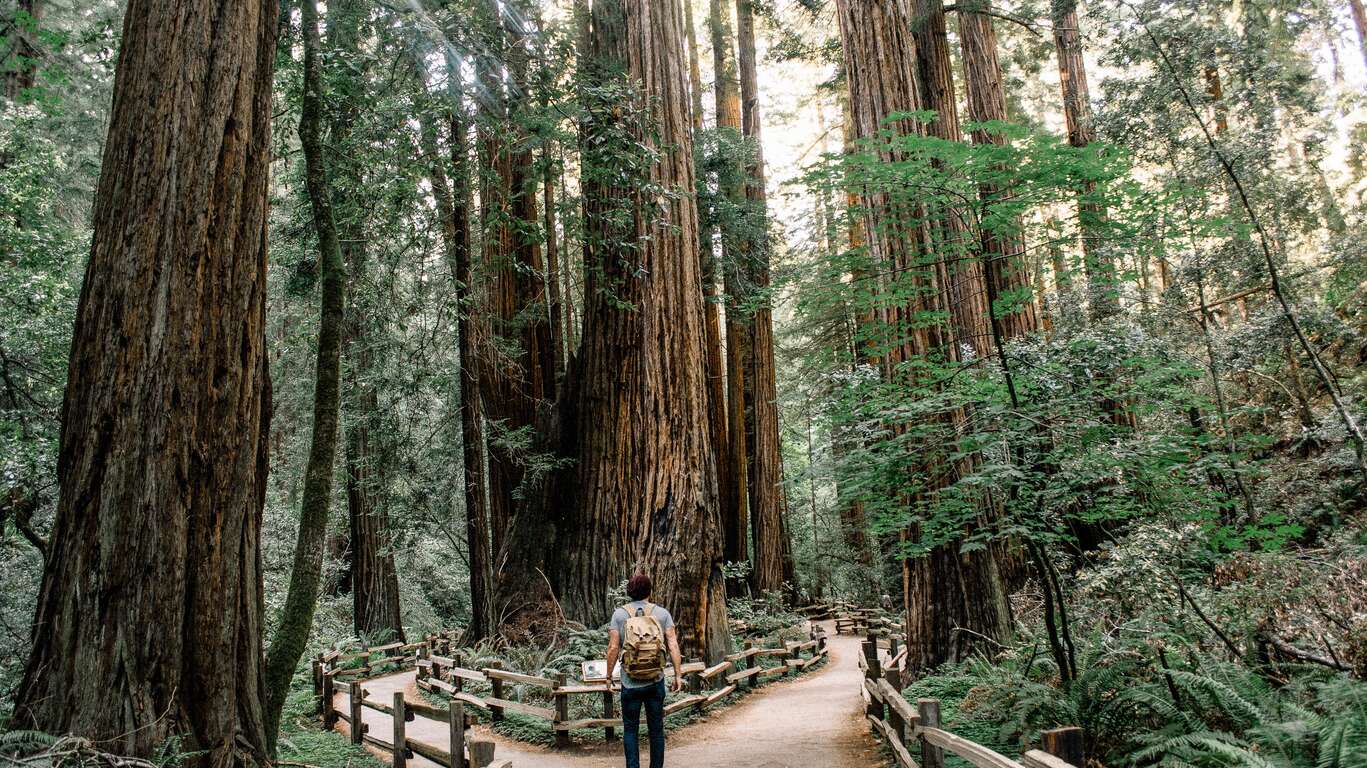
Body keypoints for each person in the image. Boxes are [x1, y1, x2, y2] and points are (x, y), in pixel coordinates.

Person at [605, 573, 683, 768]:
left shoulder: (619, 615)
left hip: (629, 683)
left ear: (629, 591)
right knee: (656, 730)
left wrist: (608, 677)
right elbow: (673, 645)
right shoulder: (662, 613)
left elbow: (613, 648)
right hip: (655, 681)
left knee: (630, 730)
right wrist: (678, 675)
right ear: (650, 590)